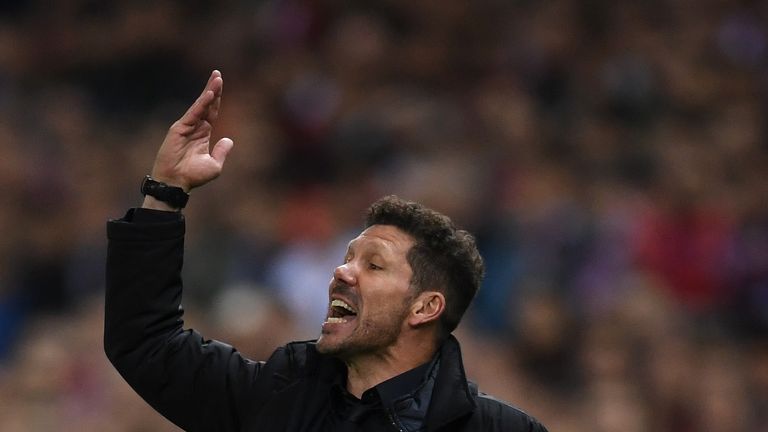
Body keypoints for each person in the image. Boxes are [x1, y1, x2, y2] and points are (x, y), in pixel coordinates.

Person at [104, 70, 548, 432]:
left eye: (373, 265)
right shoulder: (278, 395)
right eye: (348, 257)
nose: (342, 272)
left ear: (426, 307)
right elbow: (146, 343)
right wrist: (166, 192)